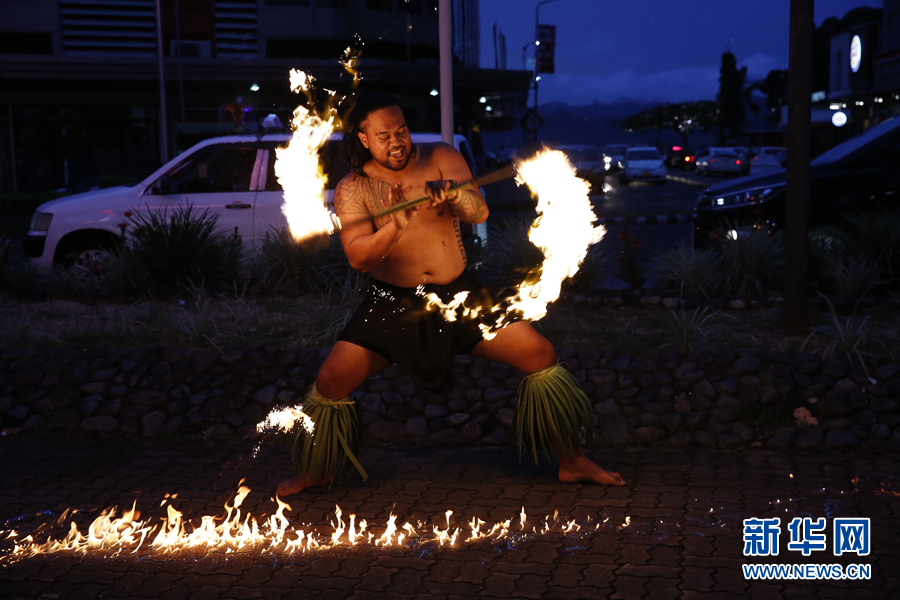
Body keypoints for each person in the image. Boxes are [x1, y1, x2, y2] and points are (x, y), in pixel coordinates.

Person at [277, 93, 624, 496]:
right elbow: (358, 257)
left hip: (459, 295)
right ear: (364, 139)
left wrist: (457, 194)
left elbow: (479, 212)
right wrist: (398, 219)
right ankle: (317, 469)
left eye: (402, 130)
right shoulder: (354, 188)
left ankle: (572, 461)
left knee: (539, 354)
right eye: (385, 135)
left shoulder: (441, 156)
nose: (397, 141)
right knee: (331, 380)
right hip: (394, 302)